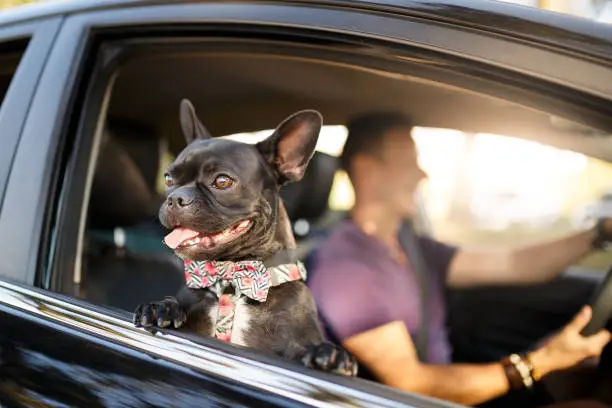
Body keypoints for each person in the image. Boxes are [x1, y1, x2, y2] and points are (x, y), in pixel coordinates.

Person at [307, 112, 612, 406]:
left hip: (450, 393)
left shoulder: (413, 249)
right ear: (367, 170)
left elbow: (514, 263)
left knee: (584, 381)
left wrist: (600, 233)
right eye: (409, 161)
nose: (422, 174)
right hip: (422, 402)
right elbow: (413, 386)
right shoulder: (346, 270)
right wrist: (536, 363)